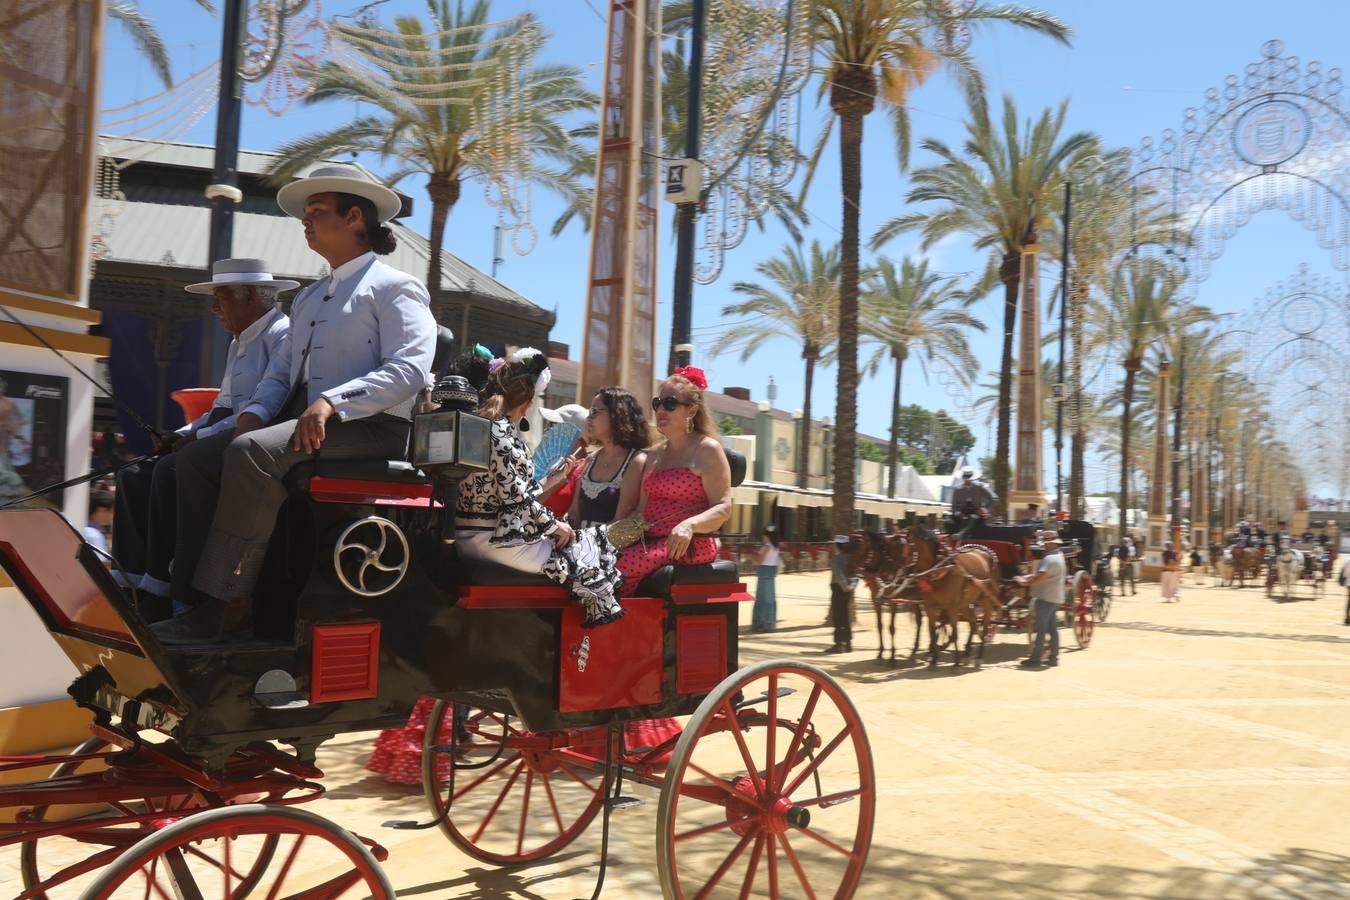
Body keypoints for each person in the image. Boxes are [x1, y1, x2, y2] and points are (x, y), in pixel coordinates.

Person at [155, 164, 437, 643]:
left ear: (353, 218)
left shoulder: (396, 287)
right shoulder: (308, 298)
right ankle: (186, 598)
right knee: (201, 457)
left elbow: (410, 369)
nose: (305, 222)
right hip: (310, 424)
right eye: (304, 214)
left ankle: (231, 604)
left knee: (252, 453)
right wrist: (250, 416)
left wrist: (330, 402)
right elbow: (280, 375)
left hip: (372, 429)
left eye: (316, 212)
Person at [112, 259, 294, 614]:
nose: (213, 308)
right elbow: (221, 406)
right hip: (223, 431)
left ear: (252, 296)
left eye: (221, 297)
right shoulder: (237, 343)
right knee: (132, 475)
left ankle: (174, 591)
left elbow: (264, 405)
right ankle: (134, 582)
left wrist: (198, 439)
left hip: (256, 435)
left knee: (173, 469)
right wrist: (180, 433)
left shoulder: (281, 335)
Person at [455, 350, 625, 627]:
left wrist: (557, 477)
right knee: (590, 550)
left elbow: (515, 494)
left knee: (583, 544)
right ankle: (593, 636)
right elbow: (519, 503)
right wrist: (558, 528)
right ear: (528, 402)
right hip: (496, 542)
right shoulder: (503, 436)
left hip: (468, 536)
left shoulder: (479, 428)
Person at [615, 367, 732, 595]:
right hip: (650, 541)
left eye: (670, 404)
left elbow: (723, 506)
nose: (660, 409)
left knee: (614, 567)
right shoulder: (654, 454)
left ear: (692, 410)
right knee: (587, 558)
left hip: (688, 544)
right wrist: (609, 536)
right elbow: (641, 510)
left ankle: (617, 625)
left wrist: (690, 525)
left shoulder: (707, 449)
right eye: (657, 403)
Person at [569, 388, 649, 528]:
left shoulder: (636, 461)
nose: (588, 418)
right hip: (579, 544)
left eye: (594, 412)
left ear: (617, 414)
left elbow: (620, 521)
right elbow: (574, 513)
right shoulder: (590, 460)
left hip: (611, 546)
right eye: (589, 412)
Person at [1017, 531, 1065, 668]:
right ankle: (1054, 657)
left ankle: (1035, 658)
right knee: (1052, 628)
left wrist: (1024, 582)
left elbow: (1041, 577)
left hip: (1046, 598)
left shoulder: (1049, 559)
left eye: (1045, 542)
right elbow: (1042, 575)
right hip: (1054, 597)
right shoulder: (1059, 555)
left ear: (1050, 543)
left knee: (1041, 628)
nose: (1044, 546)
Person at [827, 535, 856, 653]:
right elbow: (856, 574)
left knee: (838, 616)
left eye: (834, 544)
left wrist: (845, 587)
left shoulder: (836, 559)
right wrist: (851, 586)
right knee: (846, 616)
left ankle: (838, 644)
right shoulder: (851, 558)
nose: (832, 546)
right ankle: (848, 644)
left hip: (838, 589)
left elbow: (838, 576)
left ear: (838, 545)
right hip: (848, 590)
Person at [750, 526, 781, 632]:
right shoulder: (775, 547)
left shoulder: (766, 547)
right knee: (770, 599)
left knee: (761, 598)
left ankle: (760, 623)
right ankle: (769, 623)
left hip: (764, 572)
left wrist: (752, 556)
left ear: (766, 536)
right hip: (771, 573)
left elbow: (759, 561)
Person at [84, 490, 115, 555]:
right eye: (112, 511)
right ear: (101, 510)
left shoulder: (90, 530)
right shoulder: (93, 535)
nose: (114, 515)